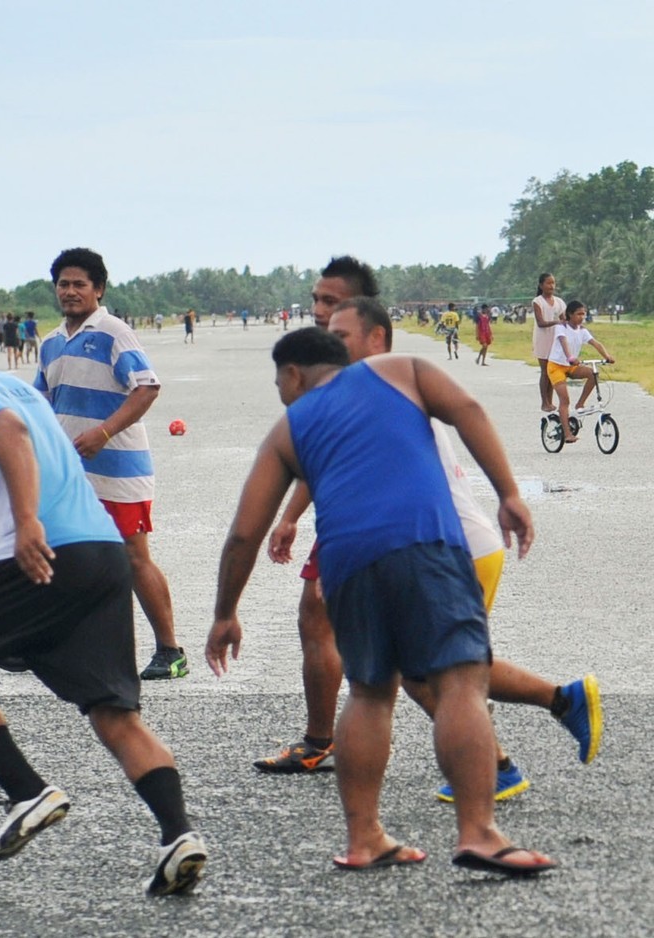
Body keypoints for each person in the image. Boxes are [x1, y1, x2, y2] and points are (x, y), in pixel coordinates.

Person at [208, 327, 557, 876]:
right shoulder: (402, 370)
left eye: (279, 384)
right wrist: (508, 493)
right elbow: (468, 409)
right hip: (425, 543)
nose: (282, 394)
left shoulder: (286, 431)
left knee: (370, 691)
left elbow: (243, 535)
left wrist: (225, 613)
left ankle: (364, 838)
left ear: (293, 374)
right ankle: (479, 833)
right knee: (459, 681)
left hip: (346, 567)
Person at [0, 292, 207, 896]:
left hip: (46, 559)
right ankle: (179, 835)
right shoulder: (17, 389)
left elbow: (9, 437)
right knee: (114, 714)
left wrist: (24, 525)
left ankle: (27, 792)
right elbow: (36, 474)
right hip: (101, 554)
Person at [323, 298, 602, 799]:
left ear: (375, 338)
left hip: (455, 549)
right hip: (457, 546)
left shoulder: (378, 395)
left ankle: (505, 756)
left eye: (339, 334)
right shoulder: (387, 389)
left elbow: (462, 419)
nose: (329, 344)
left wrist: (510, 495)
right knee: (437, 666)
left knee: (433, 671)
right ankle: (543, 718)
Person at [252, 255, 379, 772]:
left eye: (331, 301)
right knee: (408, 648)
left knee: (406, 654)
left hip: (366, 518)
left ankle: (320, 740)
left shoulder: (356, 371)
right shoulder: (346, 365)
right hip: (358, 517)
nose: (319, 310)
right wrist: (291, 515)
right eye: (316, 299)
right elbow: (323, 455)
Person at [36, 248, 187, 682]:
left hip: (119, 470)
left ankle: (171, 651)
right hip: (71, 473)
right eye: (63, 284)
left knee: (134, 558)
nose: (70, 291)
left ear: (98, 289)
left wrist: (103, 433)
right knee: (62, 554)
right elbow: (41, 403)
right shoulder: (50, 343)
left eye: (79, 284)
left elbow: (147, 387)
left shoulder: (114, 332)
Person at [546, 301, 616, 444]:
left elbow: (596, 343)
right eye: (579, 314)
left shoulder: (582, 330)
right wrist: (570, 357)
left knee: (593, 374)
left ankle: (580, 404)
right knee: (565, 400)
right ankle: (567, 434)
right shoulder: (561, 327)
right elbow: (563, 342)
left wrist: (607, 356)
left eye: (584, 314)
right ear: (570, 314)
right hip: (556, 366)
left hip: (571, 366)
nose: (582, 317)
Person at [533, 273, 566, 412]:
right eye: (548, 283)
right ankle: (544, 402)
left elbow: (564, 320)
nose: (551, 286)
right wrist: (557, 322)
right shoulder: (538, 302)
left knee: (552, 371)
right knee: (545, 372)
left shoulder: (559, 302)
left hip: (555, 340)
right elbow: (540, 323)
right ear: (541, 285)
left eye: (553, 283)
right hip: (542, 339)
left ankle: (550, 401)